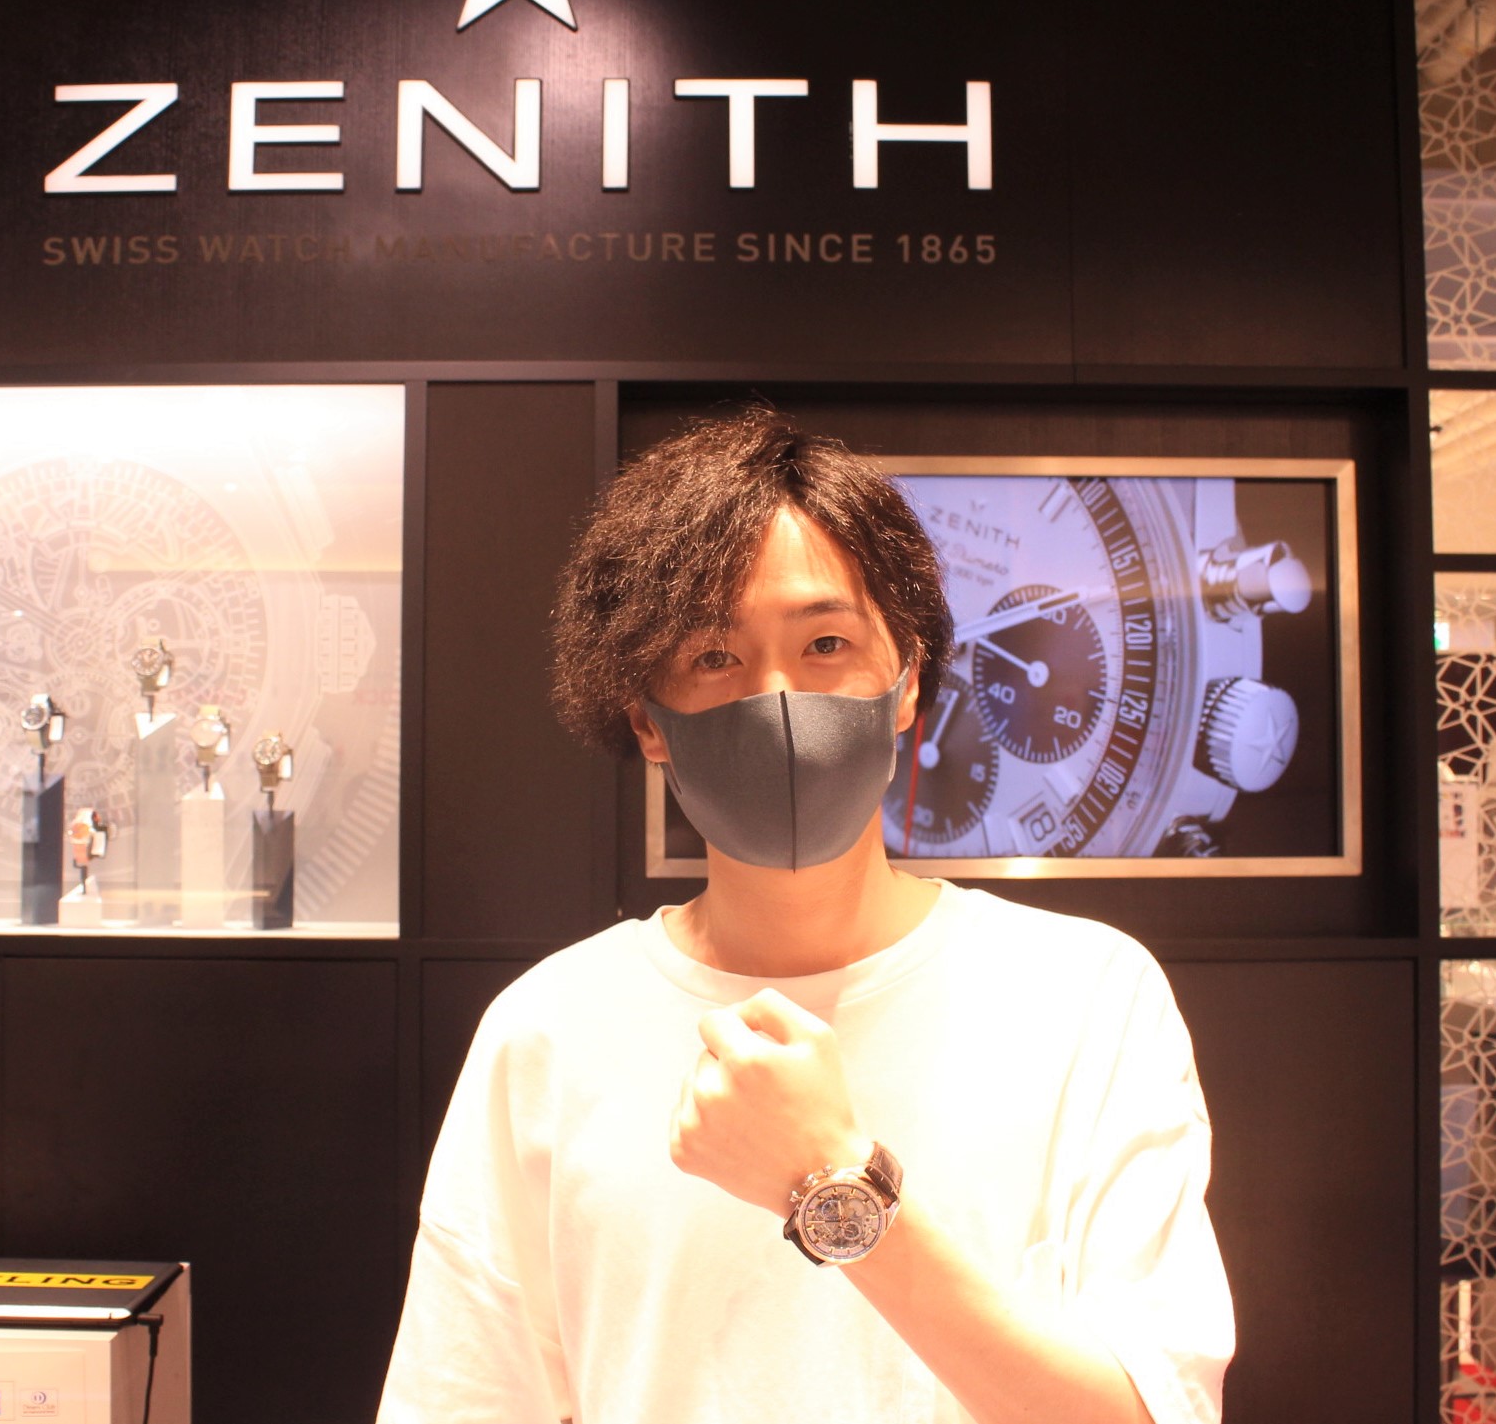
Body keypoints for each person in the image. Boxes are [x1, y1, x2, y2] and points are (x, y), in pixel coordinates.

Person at [378, 408, 1234, 1424]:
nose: (777, 695)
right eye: (713, 656)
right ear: (647, 719)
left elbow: (1154, 1410)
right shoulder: (550, 1030)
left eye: (826, 642)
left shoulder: (1085, 997)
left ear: (907, 682)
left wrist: (833, 1188)